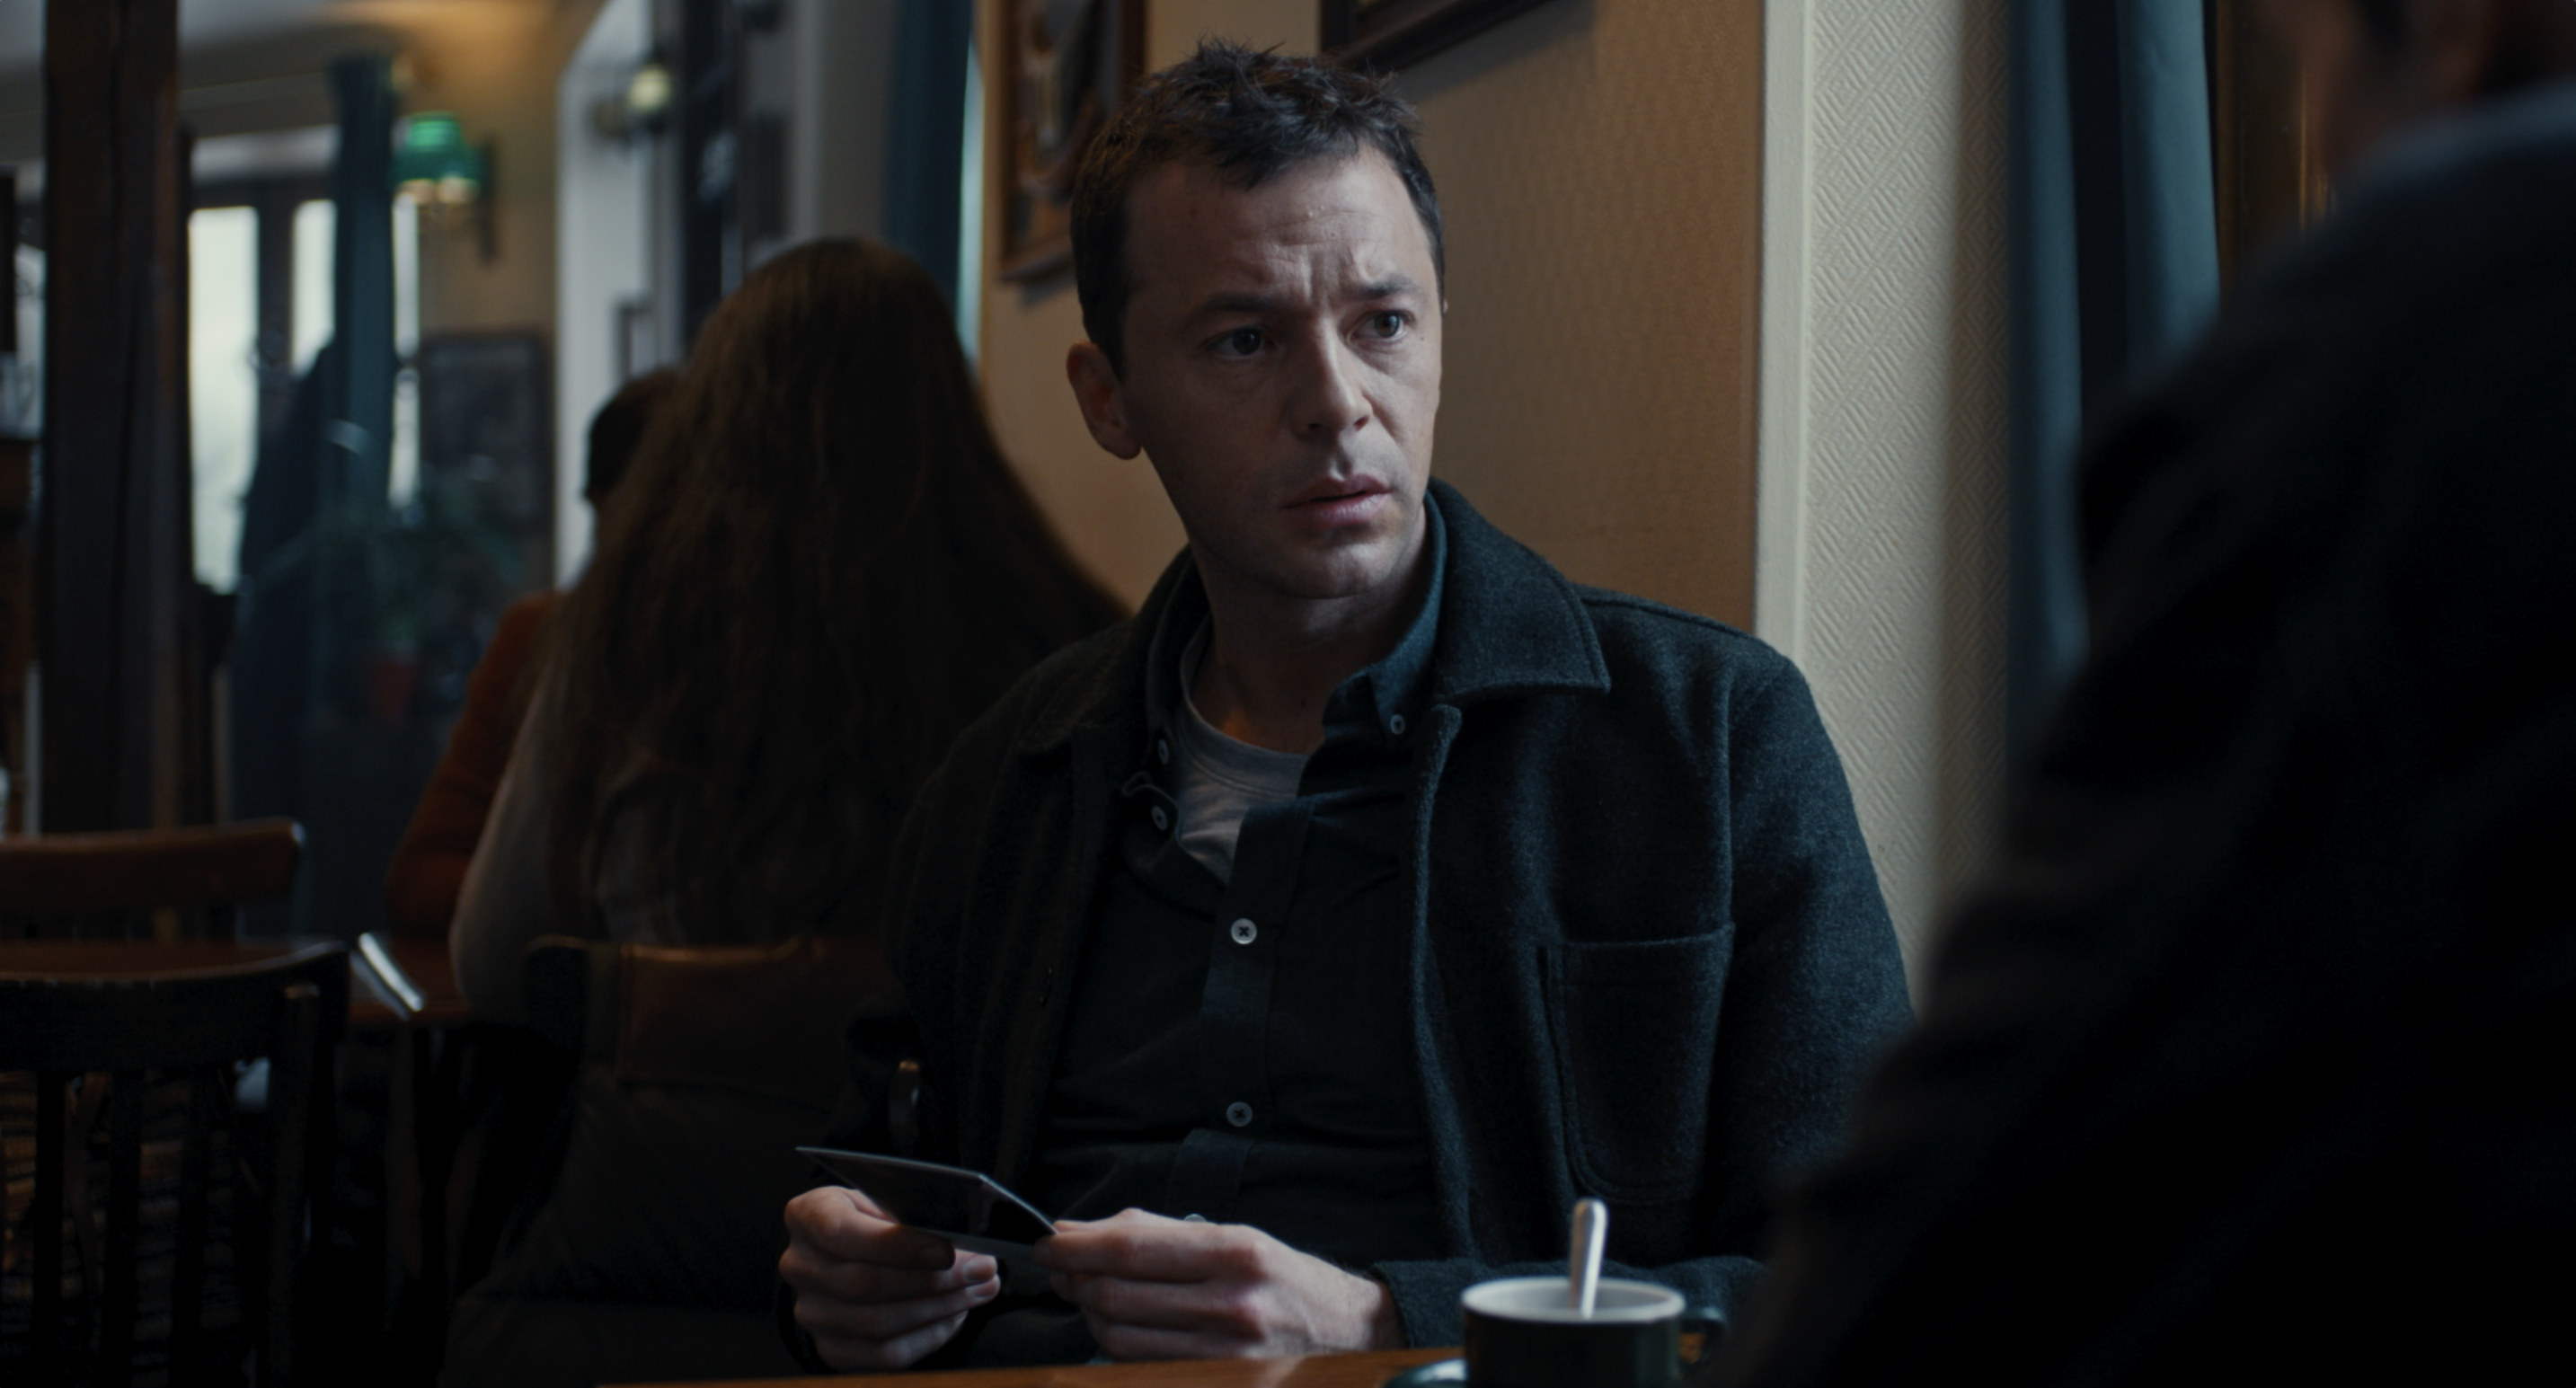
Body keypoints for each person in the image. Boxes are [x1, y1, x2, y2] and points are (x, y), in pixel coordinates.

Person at [779, 43, 1911, 1372]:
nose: (1336, 404)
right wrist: (839, 1280)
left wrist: (1381, 1320)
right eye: (1245, 340)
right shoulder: (1009, 774)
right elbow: (868, 1188)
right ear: (1109, 398)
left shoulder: (1705, 739)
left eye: (1382, 324)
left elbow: (1882, 1275)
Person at [1721, 2, 2576, 1383]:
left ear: (2447, 26)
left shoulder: (2424, 320)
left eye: (2301, 69)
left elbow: (1986, 1218)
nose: (2316, 144)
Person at [449, 241, 1123, 1021]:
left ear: (713, 418)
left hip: (665, 1100)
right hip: (951, 1104)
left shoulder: (620, 636)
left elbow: (493, 965)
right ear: (946, 406)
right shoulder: (1062, 637)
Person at [383, 367, 678, 938]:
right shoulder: (543, 637)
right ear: (603, 506)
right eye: (661, 505)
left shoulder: (767, 650)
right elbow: (419, 879)